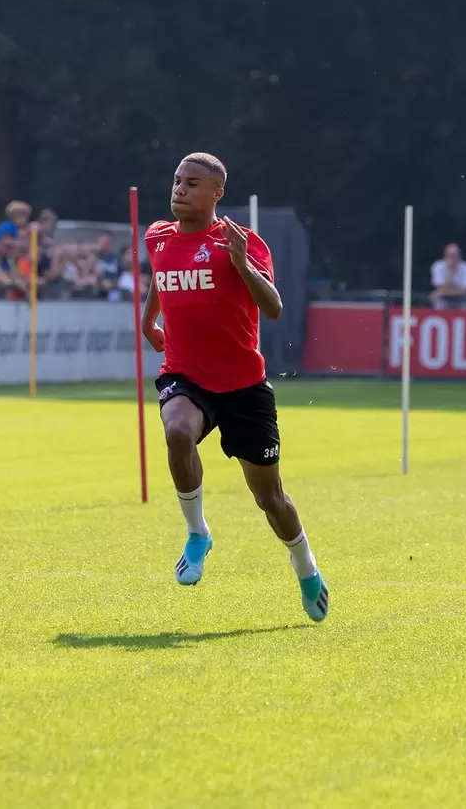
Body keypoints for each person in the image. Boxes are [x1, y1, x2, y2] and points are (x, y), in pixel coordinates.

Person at [142, 152, 328, 622]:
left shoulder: (240, 242)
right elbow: (160, 281)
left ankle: (305, 567)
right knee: (177, 431)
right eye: (177, 180)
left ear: (216, 193)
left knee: (271, 498)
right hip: (185, 373)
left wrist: (242, 263)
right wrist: (149, 322)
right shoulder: (158, 238)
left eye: (193, 183)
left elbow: (274, 309)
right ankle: (198, 532)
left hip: (244, 387)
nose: (180, 189)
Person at [430, 243, 466, 309]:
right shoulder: (437, 266)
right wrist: (451, 273)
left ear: (459, 256)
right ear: (445, 255)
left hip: (461, 299)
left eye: (454, 255)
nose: (452, 258)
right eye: (449, 255)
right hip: (443, 299)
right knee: (438, 301)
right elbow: (440, 287)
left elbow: (465, 291)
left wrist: (443, 293)